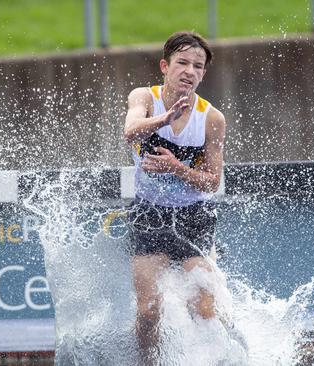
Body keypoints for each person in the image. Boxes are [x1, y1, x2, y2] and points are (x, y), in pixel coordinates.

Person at [123, 31, 226, 362]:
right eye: (182, 63)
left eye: (197, 66)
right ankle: (148, 361)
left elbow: (212, 182)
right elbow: (130, 131)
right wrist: (164, 119)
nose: (189, 71)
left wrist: (176, 168)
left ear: (203, 74)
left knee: (204, 307)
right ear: (165, 67)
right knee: (150, 310)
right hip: (149, 216)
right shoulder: (145, 98)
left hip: (193, 218)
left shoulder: (211, 118)